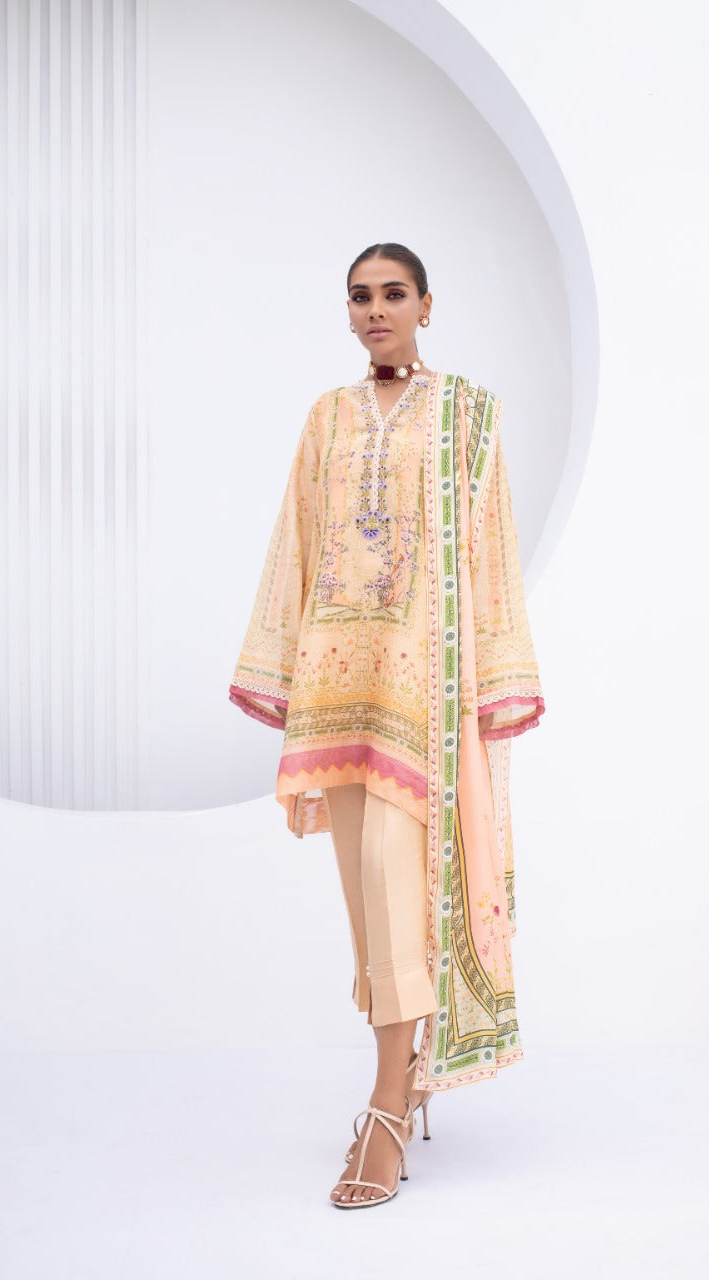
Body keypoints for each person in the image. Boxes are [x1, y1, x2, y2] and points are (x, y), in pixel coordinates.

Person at [229, 242, 545, 1209]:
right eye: (360, 296)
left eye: (393, 294)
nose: (375, 310)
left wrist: (493, 681)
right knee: (366, 901)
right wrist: (281, 668)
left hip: (423, 698)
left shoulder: (467, 414)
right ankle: (404, 1079)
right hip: (339, 687)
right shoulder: (326, 417)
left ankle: (385, 1106)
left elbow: (491, 550)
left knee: (395, 884)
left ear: (425, 306)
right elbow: (296, 542)